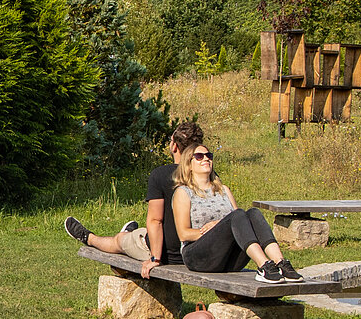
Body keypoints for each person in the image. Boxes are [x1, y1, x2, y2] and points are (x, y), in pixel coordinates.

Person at [62, 119, 204, 276]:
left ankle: (89, 238)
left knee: (119, 241)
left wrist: (155, 259)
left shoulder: (161, 175)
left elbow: (156, 221)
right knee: (139, 234)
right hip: (198, 252)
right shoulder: (208, 176)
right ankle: (130, 232)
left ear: (174, 146)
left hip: (167, 254)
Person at [171, 139, 302, 284]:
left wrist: (219, 224)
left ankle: (280, 263)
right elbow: (184, 234)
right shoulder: (183, 192)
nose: (206, 158)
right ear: (188, 165)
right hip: (198, 257)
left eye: (209, 155)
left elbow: (239, 223)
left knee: (253, 213)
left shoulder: (223, 190)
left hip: (228, 258)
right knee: (238, 214)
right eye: (199, 156)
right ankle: (264, 265)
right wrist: (216, 228)